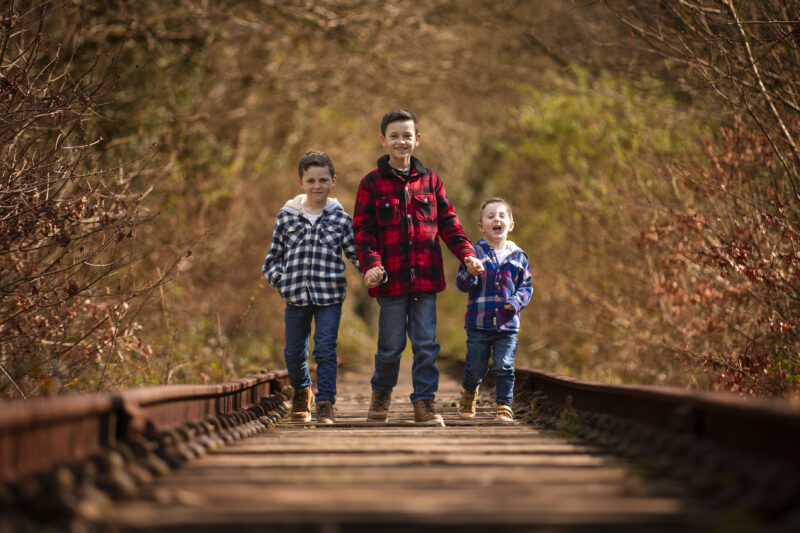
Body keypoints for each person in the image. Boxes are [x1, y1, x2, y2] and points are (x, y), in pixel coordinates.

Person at [354, 109, 484, 426]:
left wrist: (466, 254)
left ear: (417, 139)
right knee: (390, 347)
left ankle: (424, 403)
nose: (401, 141)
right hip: (390, 282)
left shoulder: (431, 181)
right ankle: (382, 395)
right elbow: (363, 231)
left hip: (426, 280)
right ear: (383, 140)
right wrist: (370, 265)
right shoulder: (371, 183)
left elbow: (450, 225)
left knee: (426, 345)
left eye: (407, 135)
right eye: (395, 135)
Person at [262, 151, 360, 425]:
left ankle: (325, 402)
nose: (317, 185)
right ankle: (303, 391)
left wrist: (374, 272)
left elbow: (356, 255)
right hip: (295, 296)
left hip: (329, 296)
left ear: (333, 181)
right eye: (311, 180)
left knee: (326, 349)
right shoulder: (286, 217)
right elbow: (272, 258)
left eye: (323, 180)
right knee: (294, 352)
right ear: (301, 182)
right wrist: (279, 279)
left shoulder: (342, 220)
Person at [455, 198, 532, 422]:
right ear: (482, 226)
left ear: (510, 224)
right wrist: (470, 272)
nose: (496, 219)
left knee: (504, 366)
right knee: (475, 367)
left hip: (507, 324)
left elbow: (526, 287)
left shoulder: (519, 257)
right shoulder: (474, 254)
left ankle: (504, 405)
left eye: (501, 216)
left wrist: (516, 302)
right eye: (490, 217)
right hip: (479, 323)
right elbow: (461, 284)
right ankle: (469, 393)